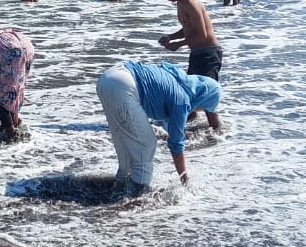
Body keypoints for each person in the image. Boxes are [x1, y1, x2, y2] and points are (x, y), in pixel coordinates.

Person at [95, 60, 222, 196]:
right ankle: (136, 196)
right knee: (146, 146)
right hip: (125, 86)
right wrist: (185, 180)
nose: (197, 110)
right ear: (202, 99)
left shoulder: (179, 79)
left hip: (110, 78)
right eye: (203, 107)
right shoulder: (182, 101)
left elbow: (168, 125)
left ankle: (119, 187)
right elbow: (176, 145)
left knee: (126, 145)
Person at [154, 0, 222, 78]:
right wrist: (170, 37)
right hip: (197, 54)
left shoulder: (191, 4)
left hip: (208, 55)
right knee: (192, 92)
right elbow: (189, 29)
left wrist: (178, 44)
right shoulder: (180, 3)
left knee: (205, 93)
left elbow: (201, 35)